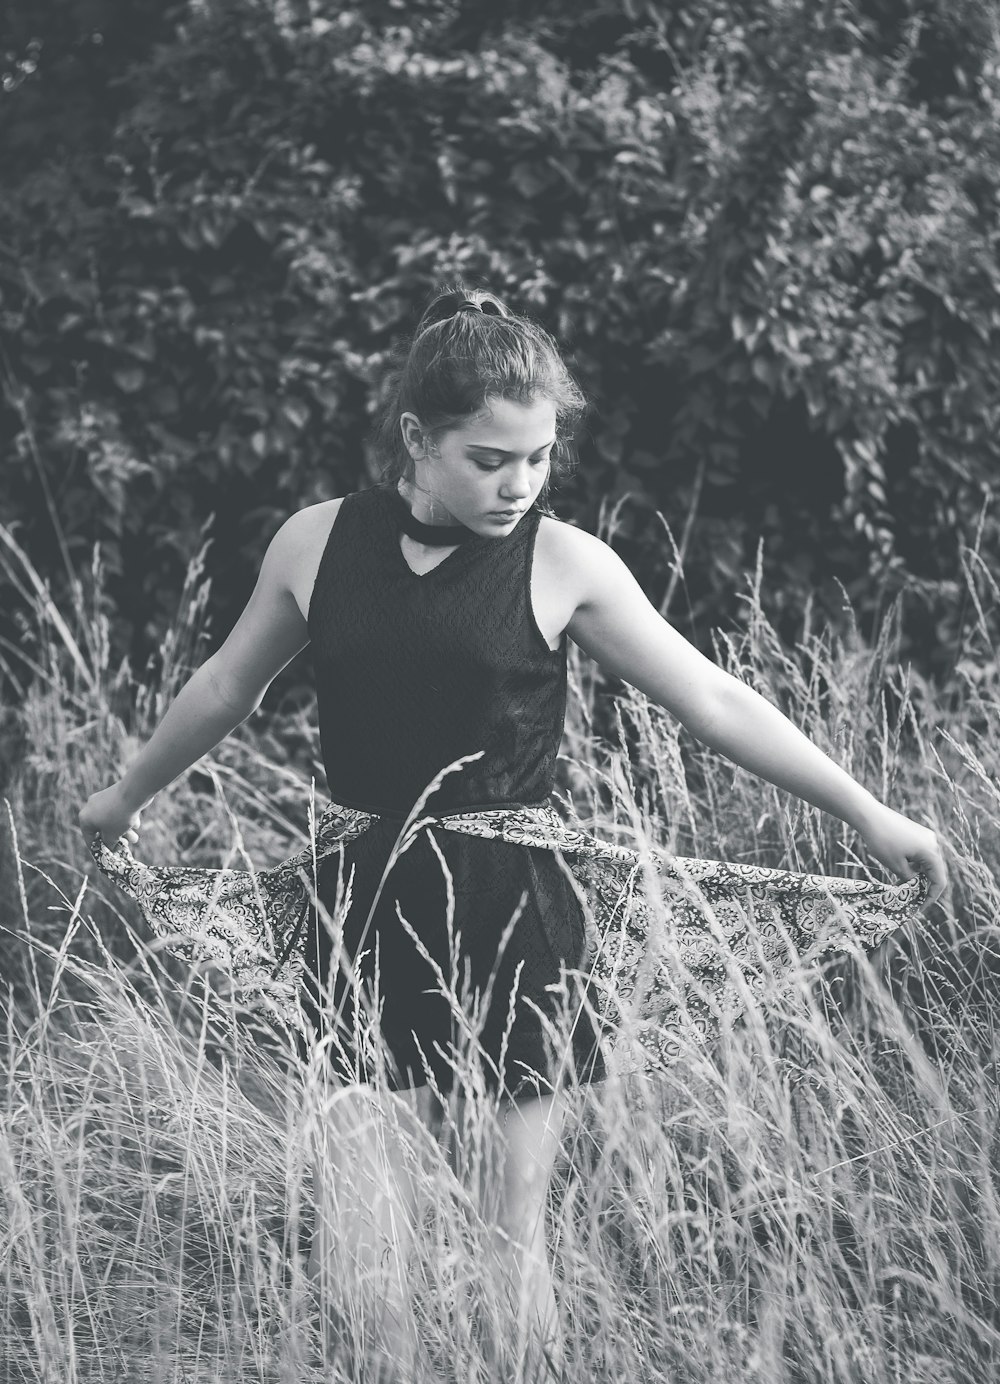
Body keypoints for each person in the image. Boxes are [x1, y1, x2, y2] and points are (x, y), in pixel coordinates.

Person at [79, 285, 948, 1383]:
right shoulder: (316, 542)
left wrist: (869, 814)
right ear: (416, 439)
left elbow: (713, 701)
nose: (520, 483)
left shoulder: (563, 562)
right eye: (491, 457)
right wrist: (126, 793)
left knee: (508, 1231)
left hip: (515, 915)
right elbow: (223, 687)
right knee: (362, 1228)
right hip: (358, 907)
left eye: (537, 457)